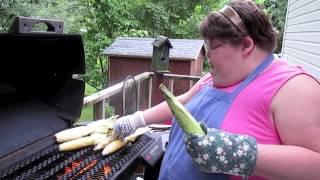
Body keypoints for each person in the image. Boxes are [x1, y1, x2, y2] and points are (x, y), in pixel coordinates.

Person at [113, 0, 320, 179]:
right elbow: (181, 104)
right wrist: (135, 120)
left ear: (246, 45)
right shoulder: (215, 77)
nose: (208, 55)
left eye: (213, 47)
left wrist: (238, 153)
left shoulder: (294, 88)